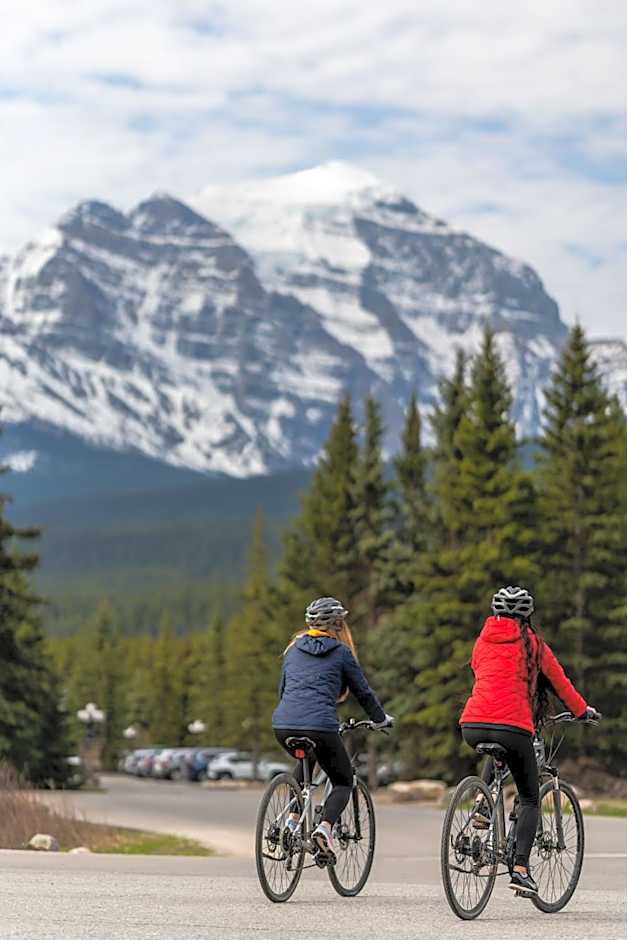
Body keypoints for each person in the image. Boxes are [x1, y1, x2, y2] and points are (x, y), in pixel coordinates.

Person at [459, 585, 599, 897]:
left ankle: (482, 804)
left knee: (496, 752)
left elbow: (484, 675)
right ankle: (520, 870)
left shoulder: (481, 641)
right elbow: (560, 684)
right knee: (531, 799)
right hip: (513, 727)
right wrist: (582, 711)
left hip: (472, 723)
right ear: (527, 617)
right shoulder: (533, 645)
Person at [273, 596, 393, 857]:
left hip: (283, 725)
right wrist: (380, 718)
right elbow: (363, 693)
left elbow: (283, 690)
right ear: (339, 625)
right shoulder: (341, 653)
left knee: (306, 762)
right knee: (343, 779)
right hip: (320, 726)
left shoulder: (292, 649)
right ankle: (324, 829)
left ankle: (292, 822)